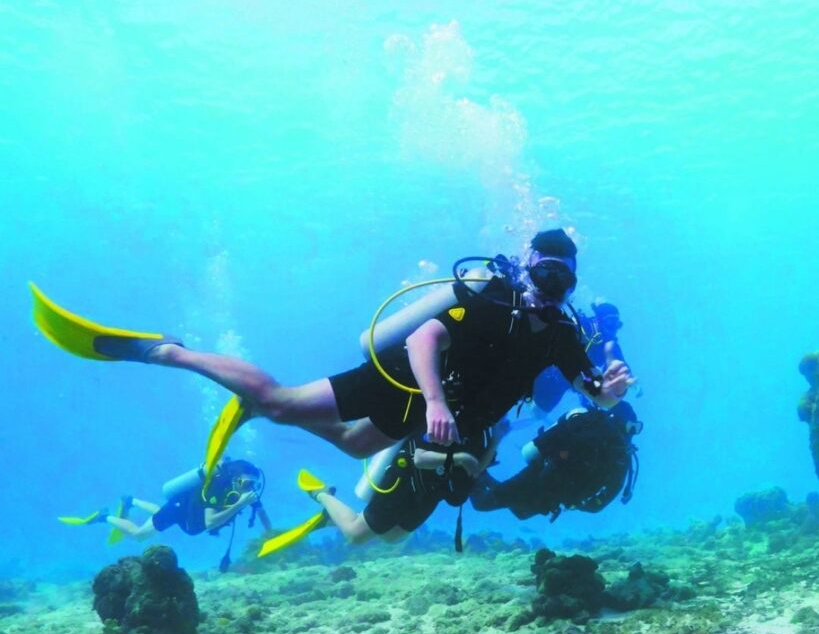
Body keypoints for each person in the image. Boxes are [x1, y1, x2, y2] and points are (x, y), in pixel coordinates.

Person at [32, 230, 635, 464]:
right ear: (529, 270)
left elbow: (592, 396)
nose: (553, 288)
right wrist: (436, 404)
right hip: (403, 382)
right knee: (280, 401)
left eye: (565, 280)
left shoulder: (562, 334)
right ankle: (170, 352)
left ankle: (247, 404)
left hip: (436, 413)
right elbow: (426, 335)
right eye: (546, 274)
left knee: (352, 449)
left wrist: (606, 394)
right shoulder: (492, 301)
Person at [302, 423, 507, 546]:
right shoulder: (451, 412)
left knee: (393, 537)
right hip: (407, 477)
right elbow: (419, 458)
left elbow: (476, 468)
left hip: (432, 490)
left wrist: (496, 440)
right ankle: (321, 494)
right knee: (357, 535)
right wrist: (458, 458)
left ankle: (331, 519)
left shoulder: (484, 426)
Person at [470, 402, 642, 521]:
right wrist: (577, 503)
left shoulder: (616, 450)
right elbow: (601, 501)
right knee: (484, 503)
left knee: (518, 511)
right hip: (546, 487)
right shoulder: (622, 456)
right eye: (632, 428)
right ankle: (468, 468)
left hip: (544, 483)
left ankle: (480, 472)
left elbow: (538, 446)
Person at [60, 458, 271, 543]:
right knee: (139, 535)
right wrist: (240, 504)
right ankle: (104, 517)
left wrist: (270, 534)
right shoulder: (218, 488)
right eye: (246, 483)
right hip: (182, 510)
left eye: (253, 485)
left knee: (165, 513)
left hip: (186, 515)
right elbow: (210, 522)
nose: (250, 489)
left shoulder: (242, 490)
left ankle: (131, 501)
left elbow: (260, 511)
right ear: (234, 479)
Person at [532, 300, 631, 414]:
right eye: (610, 322)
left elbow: (619, 364)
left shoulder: (609, 345)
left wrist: (625, 379)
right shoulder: (581, 326)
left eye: (617, 324)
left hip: (566, 382)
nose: (614, 328)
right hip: (550, 371)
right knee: (525, 394)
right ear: (598, 320)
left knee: (538, 413)